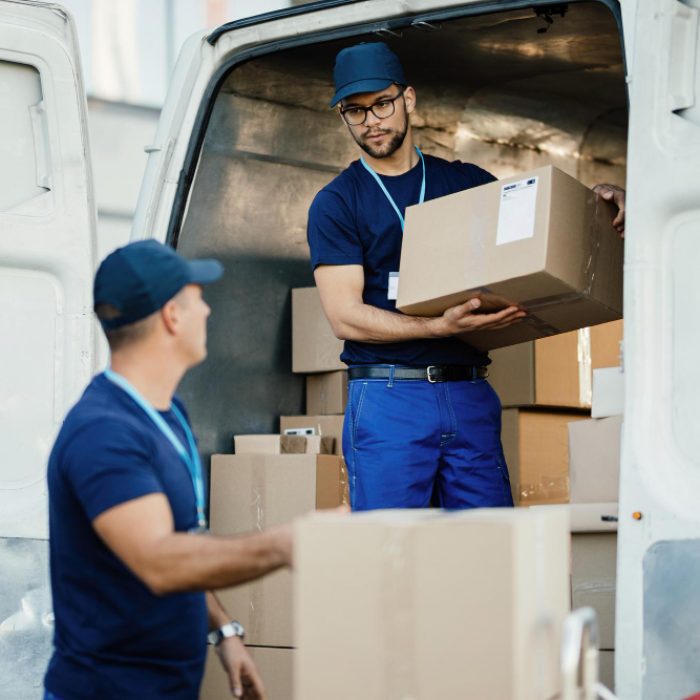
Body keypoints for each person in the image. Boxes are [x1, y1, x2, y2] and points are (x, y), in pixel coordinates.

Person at [307, 42, 626, 512]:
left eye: (382, 104)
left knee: (489, 546)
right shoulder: (338, 202)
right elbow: (345, 317)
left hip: (468, 390)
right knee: (391, 553)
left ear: (408, 99)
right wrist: (437, 327)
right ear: (343, 117)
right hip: (389, 395)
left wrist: (599, 198)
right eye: (355, 111)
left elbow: (534, 233)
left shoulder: (465, 183)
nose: (371, 120)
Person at [44, 240, 292, 700]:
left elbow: (185, 541)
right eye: (199, 298)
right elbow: (160, 562)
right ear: (171, 317)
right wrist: (287, 543)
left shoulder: (167, 414)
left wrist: (224, 633)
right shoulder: (103, 433)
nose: (209, 312)